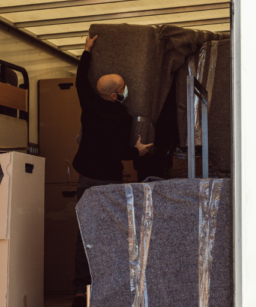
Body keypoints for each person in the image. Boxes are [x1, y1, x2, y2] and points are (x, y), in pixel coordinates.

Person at [70, 34, 153, 307]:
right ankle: (109, 289)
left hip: (86, 182)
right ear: (116, 95)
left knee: (85, 235)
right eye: (125, 87)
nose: (127, 90)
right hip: (109, 184)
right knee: (111, 235)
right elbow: (120, 153)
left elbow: (80, 80)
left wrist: (87, 51)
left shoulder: (89, 103)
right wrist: (137, 151)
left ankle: (80, 290)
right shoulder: (123, 117)